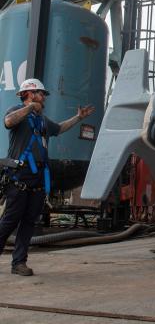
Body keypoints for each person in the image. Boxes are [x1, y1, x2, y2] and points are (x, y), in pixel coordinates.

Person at [1, 78, 94, 276]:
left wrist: (78, 118)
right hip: (20, 176)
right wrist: (30, 107)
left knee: (28, 222)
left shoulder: (42, 121)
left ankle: (19, 263)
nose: (44, 98)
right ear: (30, 93)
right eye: (41, 94)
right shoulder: (16, 111)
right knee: (10, 220)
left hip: (38, 180)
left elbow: (59, 128)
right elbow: (8, 122)